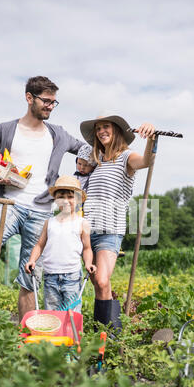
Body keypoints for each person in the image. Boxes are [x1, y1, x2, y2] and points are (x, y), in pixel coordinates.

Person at [0, 76, 85, 321]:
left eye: (54, 102)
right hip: (9, 204)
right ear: (29, 98)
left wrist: (115, 147)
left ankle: (27, 333)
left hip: (42, 210)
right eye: (46, 101)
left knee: (29, 275)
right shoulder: (5, 129)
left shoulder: (58, 134)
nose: (51, 107)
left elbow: (86, 150)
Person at [79, 114, 155, 332]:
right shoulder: (97, 160)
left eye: (106, 127)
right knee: (99, 285)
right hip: (86, 230)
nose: (102, 131)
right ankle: (113, 332)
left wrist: (150, 138)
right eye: (98, 128)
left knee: (102, 281)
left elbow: (146, 162)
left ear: (117, 131)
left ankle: (102, 335)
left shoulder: (126, 157)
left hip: (109, 231)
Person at [25, 175, 96, 313]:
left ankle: (72, 335)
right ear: (56, 199)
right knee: (52, 313)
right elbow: (40, 245)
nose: (66, 201)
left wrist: (88, 263)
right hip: (50, 275)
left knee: (72, 312)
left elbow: (87, 248)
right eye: (61, 197)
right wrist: (32, 260)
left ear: (78, 200)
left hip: (72, 276)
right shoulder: (49, 222)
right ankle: (55, 335)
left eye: (70, 197)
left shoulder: (82, 223)